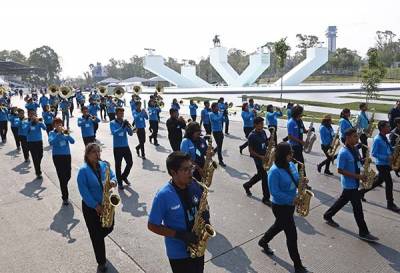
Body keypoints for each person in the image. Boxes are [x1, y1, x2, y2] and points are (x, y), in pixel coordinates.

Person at [148, 152, 207, 273]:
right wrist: (180, 235)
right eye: (186, 169)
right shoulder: (163, 195)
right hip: (178, 255)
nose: (191, 172)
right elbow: (152, 225)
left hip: (198, 246)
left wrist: (206, 215)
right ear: (173, 172)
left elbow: (203, 206)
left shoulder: (195, 185)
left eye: (191, 167)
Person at [258, 142, 311, 273]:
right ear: (283, 155)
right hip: (281, 206)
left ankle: (263, 241)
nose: (292, 155)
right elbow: (274, 192)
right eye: (290, 153)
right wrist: (292, 199)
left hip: (291, 204)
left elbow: (296, 179)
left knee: (279, 226)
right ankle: (298, 265)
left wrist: (302, 182)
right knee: (291, 234)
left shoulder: (292, 165)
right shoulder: (274, 171)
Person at [323, 128, 379, 242]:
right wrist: (358, 177)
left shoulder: (354, 149)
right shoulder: (343, 153)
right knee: (358, 209)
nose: (357, 139)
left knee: (342, 200)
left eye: (357, 137)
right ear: (348, 138)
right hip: (350, 184)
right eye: (355, 137)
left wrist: (364, 161)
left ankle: (328, 215)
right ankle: (363, 232)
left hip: (354, 182)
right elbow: (340, 170)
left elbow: (356, 162)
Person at [77, 143, 117, 273]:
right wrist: (95, 205)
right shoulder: (83, 171)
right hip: (91, 208)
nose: (97, 154)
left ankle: (99, 241)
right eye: (94, 152)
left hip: (106, 204)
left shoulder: (104, 165)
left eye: (98, 151)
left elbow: (113, 175)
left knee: (109, 227)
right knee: (96, 236)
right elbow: (84, 191)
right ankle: (101, 262)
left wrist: (113, 181)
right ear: (87, 154)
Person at [359, 121, 400, 212]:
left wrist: (395, 148)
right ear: (382, 128)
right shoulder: (378, 139)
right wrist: (387, 157)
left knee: (378, 181)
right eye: (388, 126)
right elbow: (374, 153)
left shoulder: (384, 137)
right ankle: (390, 204)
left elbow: (388, 149)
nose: (390, 128)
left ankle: (361, 192)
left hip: (387, 164)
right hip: (381, 164)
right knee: (389, 183)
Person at [242, 117, 271, 205]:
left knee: (260, 175)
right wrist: (261, 157)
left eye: (263, 124)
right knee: (265, 178)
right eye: (261, 124)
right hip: (258, 160)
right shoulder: (252, 136)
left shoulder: (263, 132)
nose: (262, 126)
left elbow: (265, 143)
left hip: (265, 157)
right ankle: (266, 198)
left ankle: (247, 185)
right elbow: (251, 151)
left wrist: (270, 143)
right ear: (255, 125)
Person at [49, 118, 74, 205]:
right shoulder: (52, 133)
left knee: (68, 175)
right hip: (57, 156)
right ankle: (65, 197)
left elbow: (72, 141)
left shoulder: (65, 132)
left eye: (60, 124)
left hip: (67, 156)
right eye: (57, 124)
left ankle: (64, 185)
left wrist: (67, 134)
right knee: (61, 176)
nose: (59, 125)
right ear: (54, 125)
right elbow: (52, 142)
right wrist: (59, 134)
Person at [110, 108, 133, 190]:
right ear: (116, 114)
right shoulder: (112, 123)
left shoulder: (124, 122)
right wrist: (122, 127)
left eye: (122, 113)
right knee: (118, 165)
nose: (121, 115)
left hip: (125, 146)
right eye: (120, 113)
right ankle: (119, 183)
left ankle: (123, 176)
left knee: (130, 163)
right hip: (117, 147)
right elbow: (114, 133)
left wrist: (128, 127)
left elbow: (131, 134)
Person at [287, 105, 308, 176]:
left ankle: (302, 180)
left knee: (300, 164)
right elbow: (290, 137)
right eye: (301, 112)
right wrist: (301, 141)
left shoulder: (300, 121)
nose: (302, 113)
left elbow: (304, 130)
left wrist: (309, 130)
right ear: (298, 112)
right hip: (294, 146)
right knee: (300, 164)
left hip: (299, 146)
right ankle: (303, 180)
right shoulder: (291, 122)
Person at [27, 110, 46, 179]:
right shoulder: (26, 122)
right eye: (31, 114)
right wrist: (30, 122)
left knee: (40, 155)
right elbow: (25, 130)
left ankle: (37, 166)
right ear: (29, 115)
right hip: (31, 142)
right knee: (35, 157)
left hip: (39, 141)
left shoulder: (38, 121)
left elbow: (45, 128)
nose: (32, 115)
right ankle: (38, 172)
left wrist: (41, 122)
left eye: (33, 114)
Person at [209, 102, 225, 167]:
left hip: (220, 131)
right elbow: (216, 119)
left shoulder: (218, 113)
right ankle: (220, 161)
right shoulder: (211, 114)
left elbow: (222, 120)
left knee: (219, 146)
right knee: (219, 147)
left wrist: (224, 116)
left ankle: (213, 152)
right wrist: (221, 113)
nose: (218, 108)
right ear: (213, 108)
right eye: (217, 107)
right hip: (216, 132)